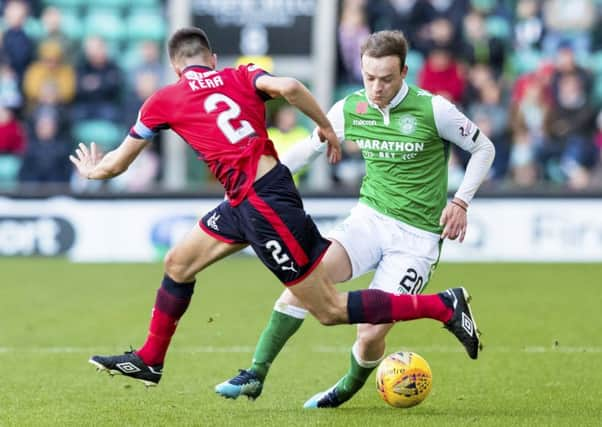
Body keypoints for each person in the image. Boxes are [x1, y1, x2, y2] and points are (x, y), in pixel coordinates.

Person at [69, 27, 481, 388]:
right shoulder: (242, 73)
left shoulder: (163, 99)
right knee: (178, 263)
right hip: (249, 197)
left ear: (175, 67)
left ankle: (442, 305)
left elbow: (118, 163)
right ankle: (150, 359)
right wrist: (324, 126)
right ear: (212, 60)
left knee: (330, 310)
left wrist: (92, 171)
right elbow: (291, 89)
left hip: (262, 204)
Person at [215, 30, 494, 408]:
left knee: (369, 333)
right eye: (369, 77)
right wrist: (254, 186)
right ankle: (255, 373)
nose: (376, 88)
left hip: (417, 238)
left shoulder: (434, 110)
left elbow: (483, 147)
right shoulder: (350, 108)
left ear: (405, 72)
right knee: (304, 281)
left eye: (386, 79)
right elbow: (305, 151)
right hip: (368, 221)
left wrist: (460, 202)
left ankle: (345, 388)